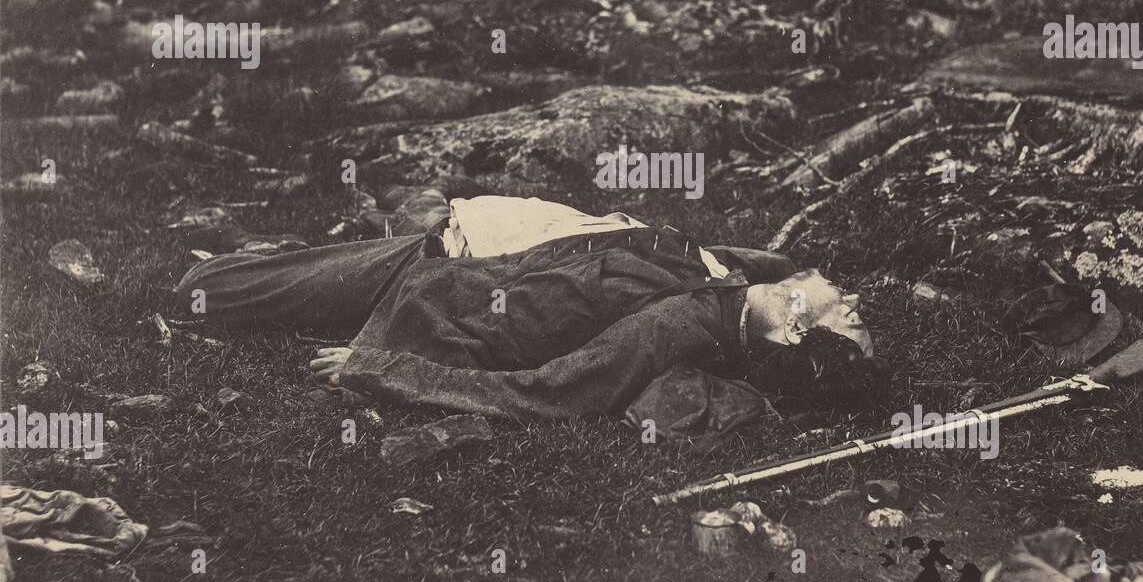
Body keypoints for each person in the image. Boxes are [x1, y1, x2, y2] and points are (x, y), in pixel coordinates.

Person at [177, 190, 875, 423]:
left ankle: (265, 267)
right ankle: (289, 254)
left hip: (432, 288)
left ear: (789, 332)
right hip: (473, 237)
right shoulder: (741, 280)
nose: (849, 298)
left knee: (204, 293)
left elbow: (546, 393)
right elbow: (784, 272)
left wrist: (381, 370)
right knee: (233, 282)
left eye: (846, 315)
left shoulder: (679, 326)